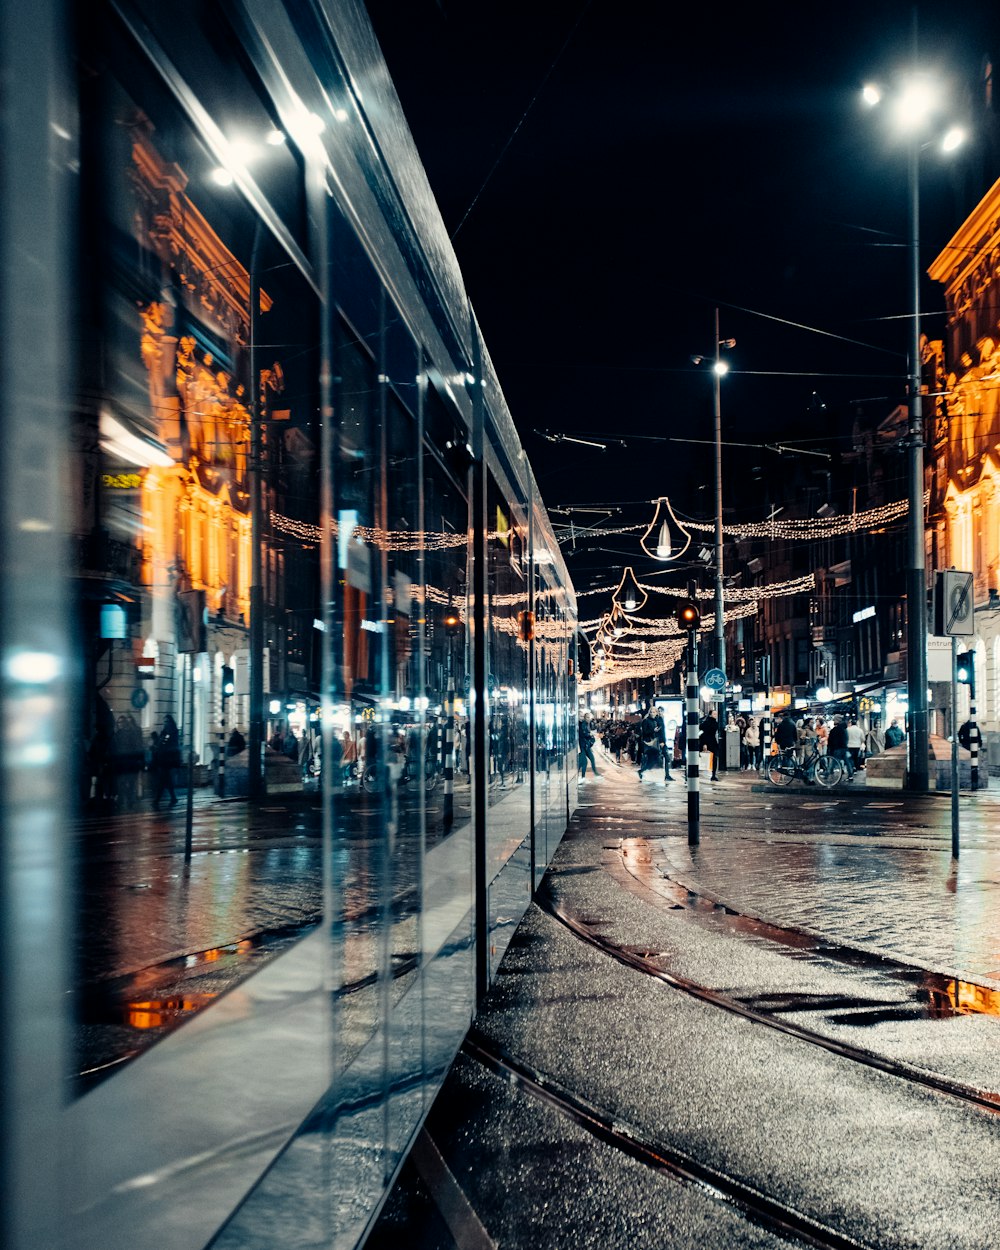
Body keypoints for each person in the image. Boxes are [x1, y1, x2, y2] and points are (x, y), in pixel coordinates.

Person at [152, 713, 181, 809]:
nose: (165, 723)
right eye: (164, 721)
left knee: (162, 780)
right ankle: (173, 797)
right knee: (166, 780)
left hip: (167, 760)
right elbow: (161, 742)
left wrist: (160, 745)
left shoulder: (172, 732)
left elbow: (167, 743)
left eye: (167, 721)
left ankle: (157, 799)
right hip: (163, 759)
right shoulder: (165, 731)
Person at [638, 706, 668, 781]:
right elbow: (644, 732)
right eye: (651, 712)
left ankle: (667, 775)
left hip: (657, 742)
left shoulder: (657, 720)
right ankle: (641, 771)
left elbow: (661, 731)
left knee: (658, 759)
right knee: (652, 761)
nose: (652, 713)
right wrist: (653, 730)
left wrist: (662, 741)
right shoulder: (646, 721)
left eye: (654, 712)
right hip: (650, 743)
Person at [699, 709, 720, 781]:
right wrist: (704, 744)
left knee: (715, 757)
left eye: (716, 714)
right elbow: (705, 733)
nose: (716, 715)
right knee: (714, 758)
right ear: (710, 714)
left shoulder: (713, 722)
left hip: (712, 741)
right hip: (709, 742)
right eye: (714, 714)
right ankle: (713, 774)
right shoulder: (708, 722)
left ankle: (713, 774)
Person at [578, 712, 599, 778]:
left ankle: (594, 773)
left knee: (590, 759)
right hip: (582, 746)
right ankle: (582, 776)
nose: (589, 719)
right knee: (584, 762)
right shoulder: (583, 724)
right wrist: (590, 735)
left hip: (586, 746)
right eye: (587, 717)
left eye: (589, 717)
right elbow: (584, 734)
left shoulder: (586, 724)